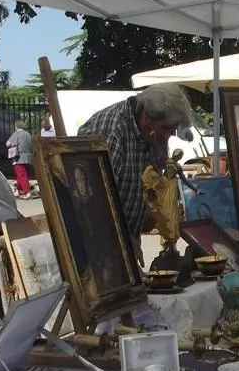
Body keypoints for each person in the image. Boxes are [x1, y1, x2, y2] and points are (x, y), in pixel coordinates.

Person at [78, 84, 193, 261]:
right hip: (96, 244)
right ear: (146, 117)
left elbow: (153, 179)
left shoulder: (156, 131)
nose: (168, 136)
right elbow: (94, 201)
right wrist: (124, 240)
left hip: (126, 240)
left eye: (173, 130)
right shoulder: (111, 130)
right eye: (167, 128)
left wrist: (151, 212)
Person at [5, 120, 35, 197]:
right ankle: (18, 190)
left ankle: (27, 192)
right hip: (28, 157)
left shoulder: (16, 133)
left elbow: (7, 144)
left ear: (16, 126)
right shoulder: (28, 134)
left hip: (18, 158)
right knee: (21, 174)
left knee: (21, 175)